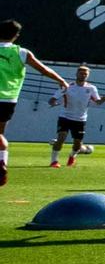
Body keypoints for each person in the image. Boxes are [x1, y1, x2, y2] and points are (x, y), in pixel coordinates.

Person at [0, 19, 66, 186]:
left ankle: (1, 161)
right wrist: (60, 80)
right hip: (8, 100)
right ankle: (2, 160)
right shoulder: (22, 53)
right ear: (16, 35)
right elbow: (43, 69)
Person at [48, 64, 105, 167]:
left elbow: (98, 101)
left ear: (88, 76)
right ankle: (54, 161)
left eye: (85, 74)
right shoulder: (67, 86)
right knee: (61, 137)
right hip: (65, 116)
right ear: (76, 74)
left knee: (77, 144)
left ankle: (72, 156)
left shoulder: (91, 88)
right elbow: (52, 99)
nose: (83, 75)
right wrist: (52, 102)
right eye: (81, 73)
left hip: (80, 119)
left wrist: (103, 100)